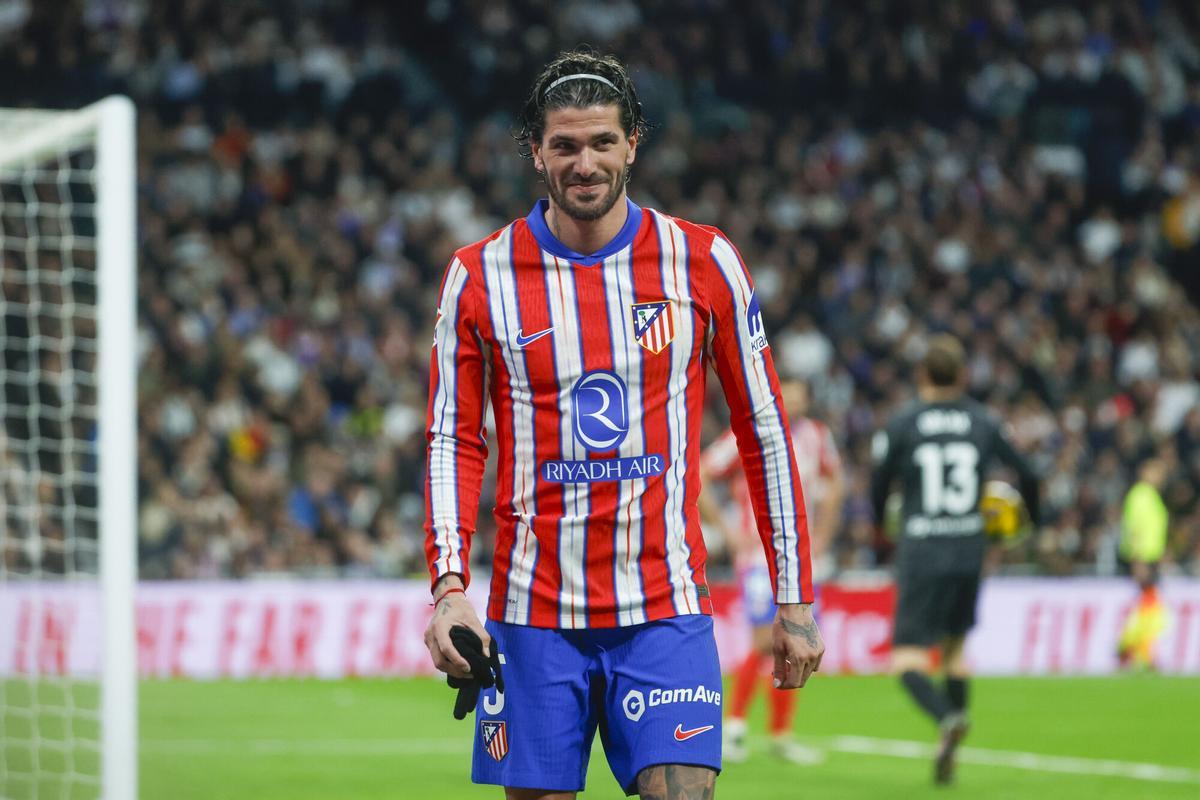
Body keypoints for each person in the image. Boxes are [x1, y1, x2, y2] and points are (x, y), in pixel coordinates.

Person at [422, 49, 824, 800]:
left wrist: (794, 598)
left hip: (664, 606)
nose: (585, 163)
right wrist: (448, 589)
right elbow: (453, 439)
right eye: (565, 145)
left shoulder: (701, 261)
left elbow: (763, 431)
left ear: (633, 144)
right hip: (533, 614)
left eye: (603, 142)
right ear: (534, 152)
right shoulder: (479, 277)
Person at [870, 334, 1040, 786]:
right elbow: (1028, 471)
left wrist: (880, 527)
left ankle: (946, 717)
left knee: (906, 660)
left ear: (921, 374)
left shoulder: (903, 422)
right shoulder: (982, 420)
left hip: (922, 547)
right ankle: (951, 747)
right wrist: (1030, 522)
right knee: (956, 653)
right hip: (969, 548)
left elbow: (879, 483)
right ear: (963, 375)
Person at [699, 378, 843, 764]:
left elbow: (833, 484)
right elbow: (701, 473)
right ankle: (734, 727)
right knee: (765, 641)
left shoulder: (816, 436)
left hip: (799, 560)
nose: (794, 399)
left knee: (793, 643)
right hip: (760, 557)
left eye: (800, 393)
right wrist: (728, 530)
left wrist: (825, 534)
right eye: (788, 392)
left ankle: (780, 734)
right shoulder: (752, 430)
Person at [1116, 457, 1171, 671]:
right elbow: (1134, 528)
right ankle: (1141, 654)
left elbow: (1154, 529)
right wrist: (1137, 559)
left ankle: (1128, 651)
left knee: (1146, 608)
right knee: (1149, 608)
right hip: (1143, 558)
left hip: (1151, 557)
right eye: (1156, 472)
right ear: (1145, 472)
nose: (1160, 477)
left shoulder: (1151, 496)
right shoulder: (1140, 495)